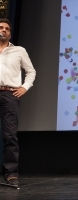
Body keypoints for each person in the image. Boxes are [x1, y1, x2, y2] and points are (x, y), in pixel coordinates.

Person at [0, 18, 36, 187]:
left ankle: (11, 173)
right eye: (1, 27)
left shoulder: (19, 51)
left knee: (10, 135)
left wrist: (24, 87)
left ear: (10, 33)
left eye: (7, 28)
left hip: (9, 94)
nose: (4, 30)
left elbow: (31, 72)